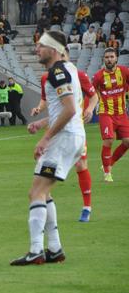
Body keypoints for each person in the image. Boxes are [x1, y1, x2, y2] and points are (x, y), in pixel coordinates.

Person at [10, 31, 85, 266]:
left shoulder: (57, 72)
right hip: (72, 136)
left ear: (53, 49)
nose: (36, 50)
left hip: (63, 139)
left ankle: (35, 251)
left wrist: (45, 138)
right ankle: (54, 249)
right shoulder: (69, 69)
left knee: (36, 192)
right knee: (44, 191)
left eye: (41, 46)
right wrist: (43, 123)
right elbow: (66, 109)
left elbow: (70, 109)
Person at [34, 55, 98, 222]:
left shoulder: (79, 75)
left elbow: (93, 96)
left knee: (80, 165)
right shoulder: (46, 77)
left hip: (73, 130)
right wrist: (39, 112)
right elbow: (46, 101)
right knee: (42, 178)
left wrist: (90, 109)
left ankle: (86, 207)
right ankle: (45, 207)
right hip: (55, 130)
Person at [91, 48, 129, 182]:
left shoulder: (124, 72)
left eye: (112, 57)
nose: (109, 59)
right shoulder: (98, 76)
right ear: (103, 59)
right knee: (109, 140)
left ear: (116, 58)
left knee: (127, 142)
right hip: (106, 113)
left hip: (122, 113)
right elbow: (91, 92)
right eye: (107, 57)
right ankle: (107, 173)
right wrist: (89, 108)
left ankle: (109, 163)